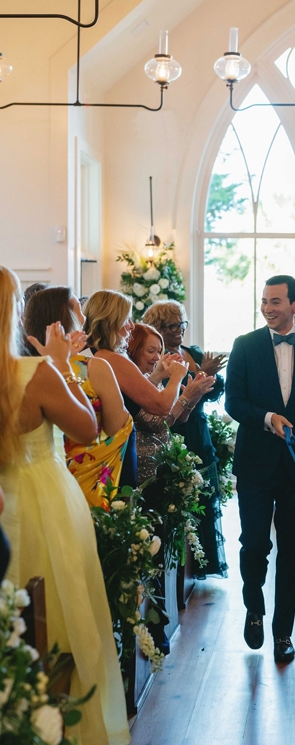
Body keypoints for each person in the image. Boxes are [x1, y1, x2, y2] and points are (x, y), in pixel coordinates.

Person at [0, 266, 130, 744]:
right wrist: (58, 365)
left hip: (4, 505)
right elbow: (86, 429)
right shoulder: (34, 374)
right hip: (44, 505)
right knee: (61, 621)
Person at [225, 275, 295, 663]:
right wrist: (268, 417)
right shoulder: (245, 346)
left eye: (276, 301)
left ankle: (283, 631)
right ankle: (254, 606)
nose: (268, 308)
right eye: (264, 301)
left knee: (291, 551)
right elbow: (232, 402)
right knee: (254, 543)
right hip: (254, 463)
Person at [24, 286, 133, 507]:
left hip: (34, 481)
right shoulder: (95, 368)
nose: (84, 317)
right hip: (87, 483)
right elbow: (117, 427)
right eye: (79, 311)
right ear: (65, 320)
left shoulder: (21, 368)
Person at [142, 300, 228, 579]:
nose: (180, 330)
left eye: (182, 323)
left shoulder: (192, 352)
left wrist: (209, 373)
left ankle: (205, 565)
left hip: (198, 428)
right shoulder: (159, 358)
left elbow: (214, 392)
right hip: (176, 428)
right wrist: (197, 374)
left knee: (206, 495)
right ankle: (180, 572)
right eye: (172, 325)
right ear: (158, 328)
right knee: (180, 496)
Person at [83, 290, 188, 489]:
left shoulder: (88, 353)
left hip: (93, 447)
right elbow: (161, 406)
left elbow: (135, 392)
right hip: (115, 451)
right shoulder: (112, 358)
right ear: (111, 321)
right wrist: (176, 377)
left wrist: (156, 375)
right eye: (127, 319)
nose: (131, 326)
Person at [126, 323, 215, 483]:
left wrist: (193, 397)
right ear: (134, 349)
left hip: (162, 463)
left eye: (159, 351)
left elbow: (179, 419)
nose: (157, 357)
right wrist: (184, 394)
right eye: (151, 351)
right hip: (142, 470)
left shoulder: (153, 376)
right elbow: (159, 423)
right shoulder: (131, 381)